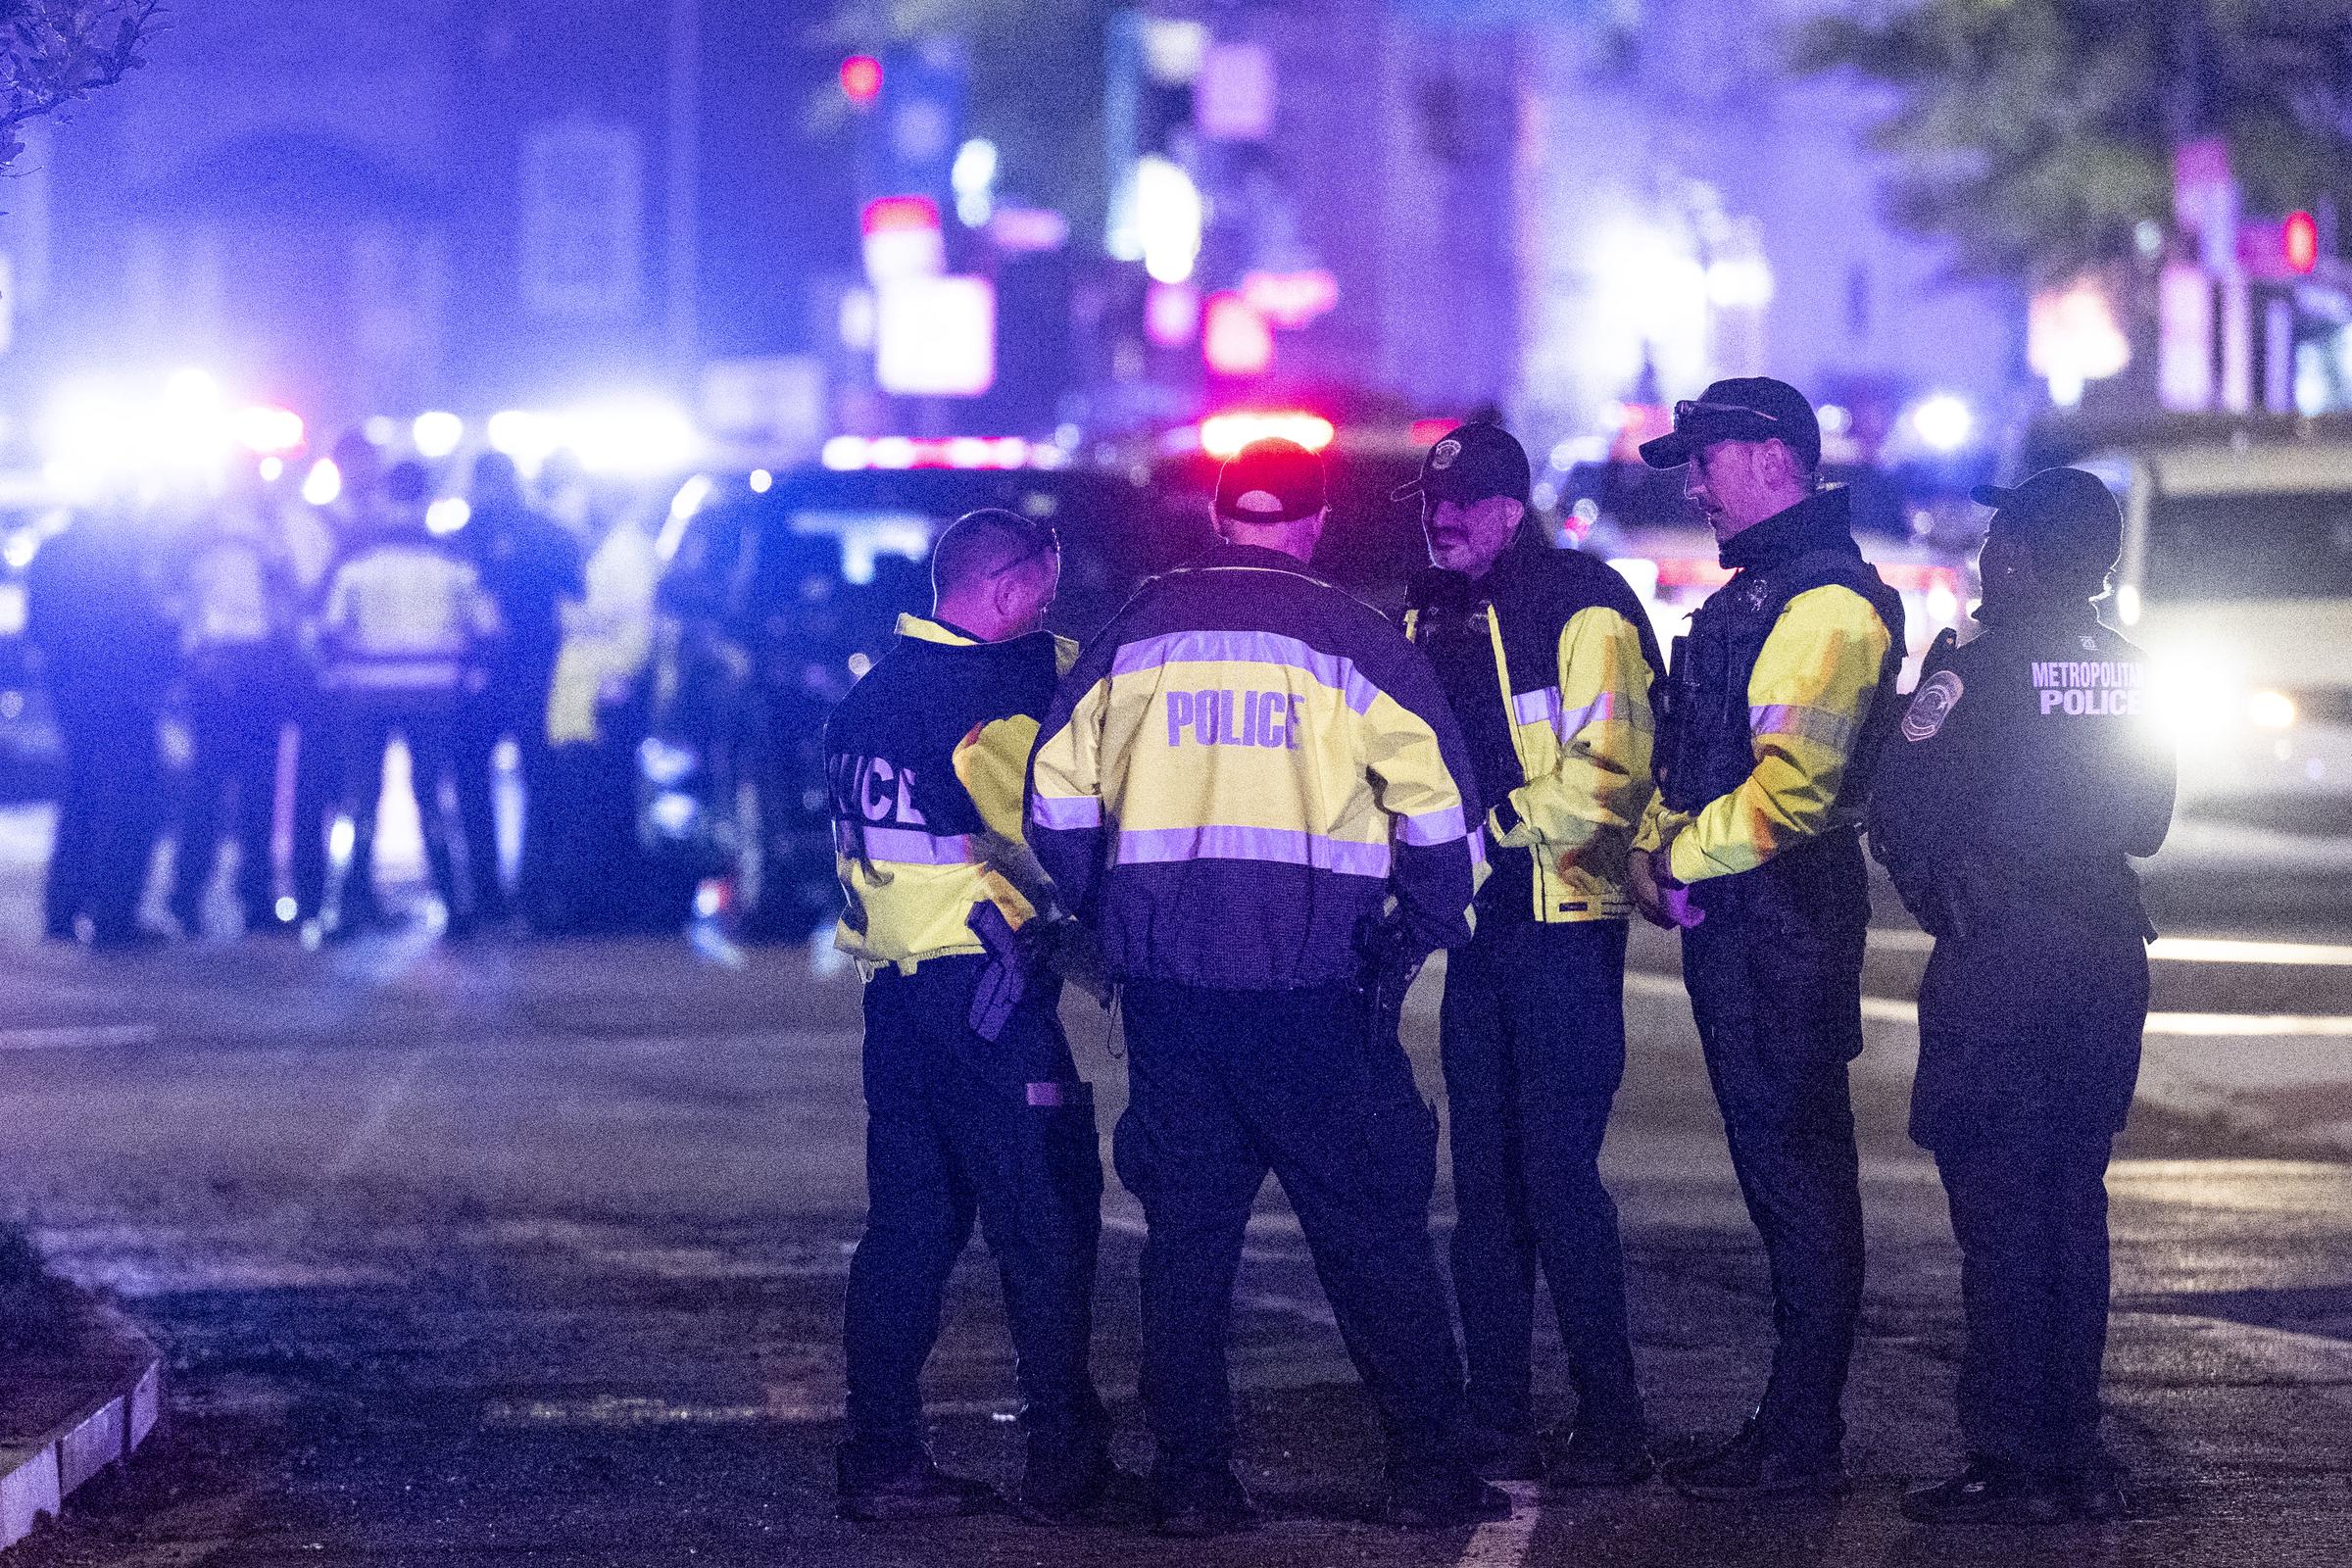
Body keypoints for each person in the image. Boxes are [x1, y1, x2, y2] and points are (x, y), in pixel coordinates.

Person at [1029, 438, 1503, 1536]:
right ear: (1317, 521)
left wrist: (1114, 907)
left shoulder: (1138, 629)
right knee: (1371, 1227)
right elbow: (1439, 810)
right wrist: (1424, 922)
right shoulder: (1351, 634)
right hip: (1312, 987)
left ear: (1215, 512)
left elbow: (1053, 799)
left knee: (1189, 1239)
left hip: (1167, 989)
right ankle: (1429, 1470)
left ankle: (1192, 1483)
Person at [1869, 469, 2174, 1525]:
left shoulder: (1974, 666)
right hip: (2103, 954)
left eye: (2002, 538)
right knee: (2070, 1207)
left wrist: (1942, 887)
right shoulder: (2134, 673)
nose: (1989, 553)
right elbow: (2148, 822)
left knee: (2000, 1211)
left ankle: (2010, 1460)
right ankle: (2072, 1450)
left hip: (2005, 952)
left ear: (2027, 558)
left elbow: (1900, 805)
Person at [1625, 379, 1906, 1499]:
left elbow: (1794, 793)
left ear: (1775, 457)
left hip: (1784, 920)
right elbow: (1695, 749)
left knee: (1798, 1182)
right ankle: (1791, 1429)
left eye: (1708, 461)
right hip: (1747, 919)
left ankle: (1800, 1439)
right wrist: (1658, 842)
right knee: (1777, 1173)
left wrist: (1675, 858)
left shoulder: (1825, 604)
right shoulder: (1765, 594)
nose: (1693, 485)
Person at [825, 509, 1122, 1526]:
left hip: (897, 1003)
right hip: (987, 1003)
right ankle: (1064, 1466)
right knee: (1046, 1224)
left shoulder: (868, 698)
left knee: (907, 1234)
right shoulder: (986, 703)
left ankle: (880, 1458)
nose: (1051, 606)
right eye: (1042, 587)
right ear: (1005, 591)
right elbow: (1052, 836)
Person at [1397, 420, 1663, 1486]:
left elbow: (1610, 773)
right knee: (1485, 1191)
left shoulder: (1582, 607)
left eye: (1464, 507)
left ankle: (1613, 1422)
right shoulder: (1432, 612)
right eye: (1432, 506)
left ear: (1514, 510)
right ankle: (1497, 1414)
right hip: (1481, 936)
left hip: (1564, 927)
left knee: (1557, 1181)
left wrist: (1487, 829)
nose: (1443, 520)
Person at [314, 460, 501, 936]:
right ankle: (456, 906)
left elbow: (330, 628)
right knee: (434, 798)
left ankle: (351, 905)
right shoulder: (452, 563)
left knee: (361, 799)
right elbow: (486, 627)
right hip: (435, 694)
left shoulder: (357, 562)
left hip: (365, 694)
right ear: (426, 499)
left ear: (383, 497)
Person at [24, 500, 176, 947]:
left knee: (83, 794)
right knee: (136, 799)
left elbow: (38, 628)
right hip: (121, 695)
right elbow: (144, 626)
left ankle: (63, 909)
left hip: (73, 693)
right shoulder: (123, 555)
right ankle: (114, 914)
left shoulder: (54, 551)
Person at [167, 463, 304, 937]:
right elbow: (288, 597)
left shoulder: (199, 529)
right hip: (254, 667)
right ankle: (254, 900)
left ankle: (187, 899)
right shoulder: (268, 532)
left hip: (215, 670)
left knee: (208, 790)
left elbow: (177, 600)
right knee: (256, 793)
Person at [456, 452, 585, 928]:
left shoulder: (463, 538)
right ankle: (534, 895)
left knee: (475, 783)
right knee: (541, 782)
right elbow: (575, 596)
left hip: (480, 678)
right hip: (535, 671)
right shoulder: (548, 532)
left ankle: (489, 896)